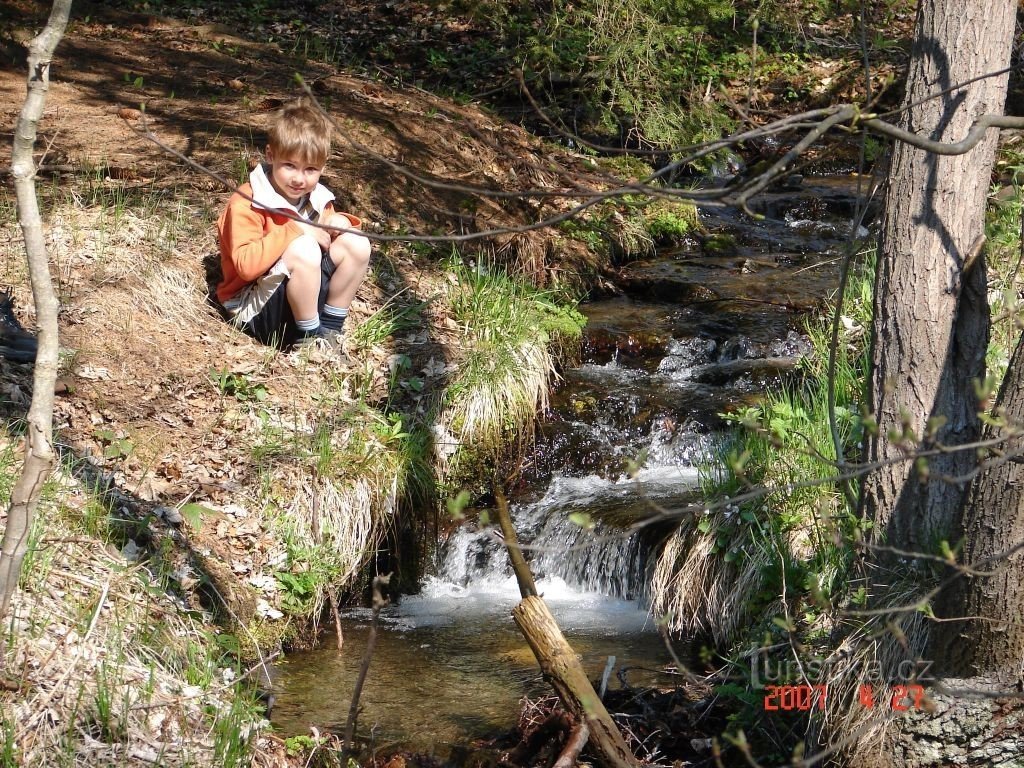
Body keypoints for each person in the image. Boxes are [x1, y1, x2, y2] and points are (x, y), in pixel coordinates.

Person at [215, 99, 371, 356]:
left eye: (310, 169)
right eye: (290, 166)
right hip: (255, 309)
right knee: (303, 247)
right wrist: (296, 230)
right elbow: (244, 266)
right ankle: (309, 341)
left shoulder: (316, 197)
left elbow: (327, 236)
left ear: (323, 166)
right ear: (270, 156)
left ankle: (330, 331)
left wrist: (340, 222)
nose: (299, 179)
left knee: (356, 241)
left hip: (299, 303)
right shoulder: (248, 201)